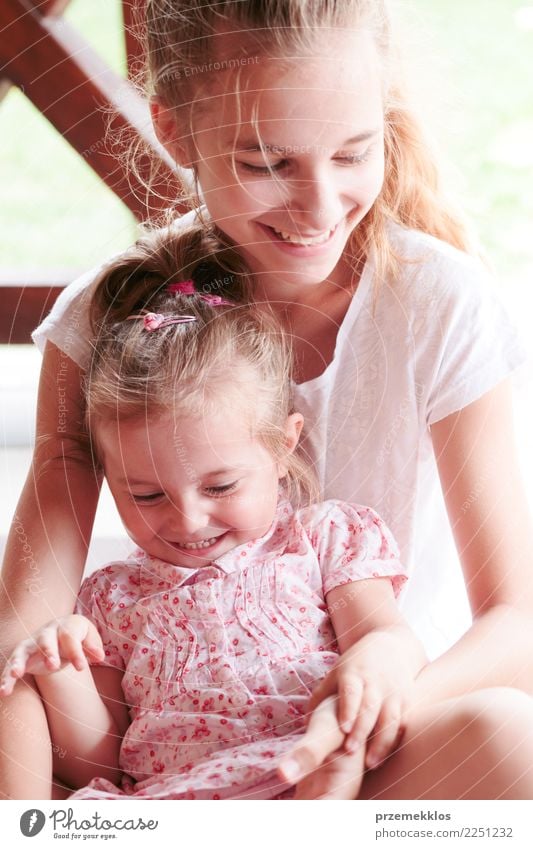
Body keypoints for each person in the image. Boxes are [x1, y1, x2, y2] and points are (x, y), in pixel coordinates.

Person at [2, 0, 533, 800]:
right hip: (166, 766)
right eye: (266, 164)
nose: (319, 210)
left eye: (355, 154)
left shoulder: (436, 301)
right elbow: (25, 633)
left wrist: (356, 716)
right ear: (174, 131)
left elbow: (516, 623)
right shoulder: (105, 318)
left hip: (387, 734)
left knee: (508, 736)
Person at [0, 227, 423, 800]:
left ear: (281, 446)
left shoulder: (324, 539)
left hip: (310, 762)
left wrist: (374, 665)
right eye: (146, 496)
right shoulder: (111, 599)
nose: (189, 520)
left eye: (221, 486)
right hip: (174, 803)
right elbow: (96, 759)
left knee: (494, 732)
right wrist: (61, 664)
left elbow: (390, 637)